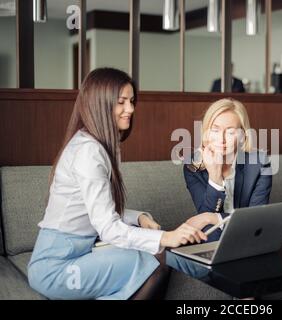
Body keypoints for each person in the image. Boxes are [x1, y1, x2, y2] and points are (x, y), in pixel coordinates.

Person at [27, 68, 207, 300]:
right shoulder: (88, 151)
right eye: (121, 102)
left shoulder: (102, 145)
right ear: (100, 104)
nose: (130, 109)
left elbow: (98, 210)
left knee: (158, 256)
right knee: (159, 258)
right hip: (57, 267)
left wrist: (139, 217)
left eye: (131, 101)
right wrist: (166, 237)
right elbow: (108, 228)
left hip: (80, 253)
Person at [183, 98, 272, 242]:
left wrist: (211, 217)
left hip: (249, 236)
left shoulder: (260, 163)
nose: (221, 139)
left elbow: (256, 219)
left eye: (230, 132)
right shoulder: (192, 166)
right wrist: (215, 177)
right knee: (210, 233)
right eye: (215, 130)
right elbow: (205, 216)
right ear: (206, 132)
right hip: (213, 236)